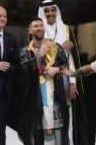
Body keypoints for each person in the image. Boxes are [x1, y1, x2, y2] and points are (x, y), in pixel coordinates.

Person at [38, 0, 78, 145]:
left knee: (66, 115)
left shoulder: (66, 29)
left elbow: (70, 59)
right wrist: (60, 46)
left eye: (53, 10)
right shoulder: (37, 30)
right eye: (47, 11)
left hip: (64, 79)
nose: (50, 13)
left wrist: (73, 82)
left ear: (57, 11)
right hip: (45, 81)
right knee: (47, 118)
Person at [27, 17, 68, 145]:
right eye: (35, 26)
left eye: (41, 25)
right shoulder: (25, 51)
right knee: (40, 133)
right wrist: (40, 54)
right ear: (29, 30)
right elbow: (27, 71)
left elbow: (66, 66)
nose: (39, 28)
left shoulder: (55, 46)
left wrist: (57, 69)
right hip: (35, 99)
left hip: (55, 95)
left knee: (58, 132)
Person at [0, 6, 20, 145]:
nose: (2, 18)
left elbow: (17, 63)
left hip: (3, 93)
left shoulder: (11, 38)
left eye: (4, 16)